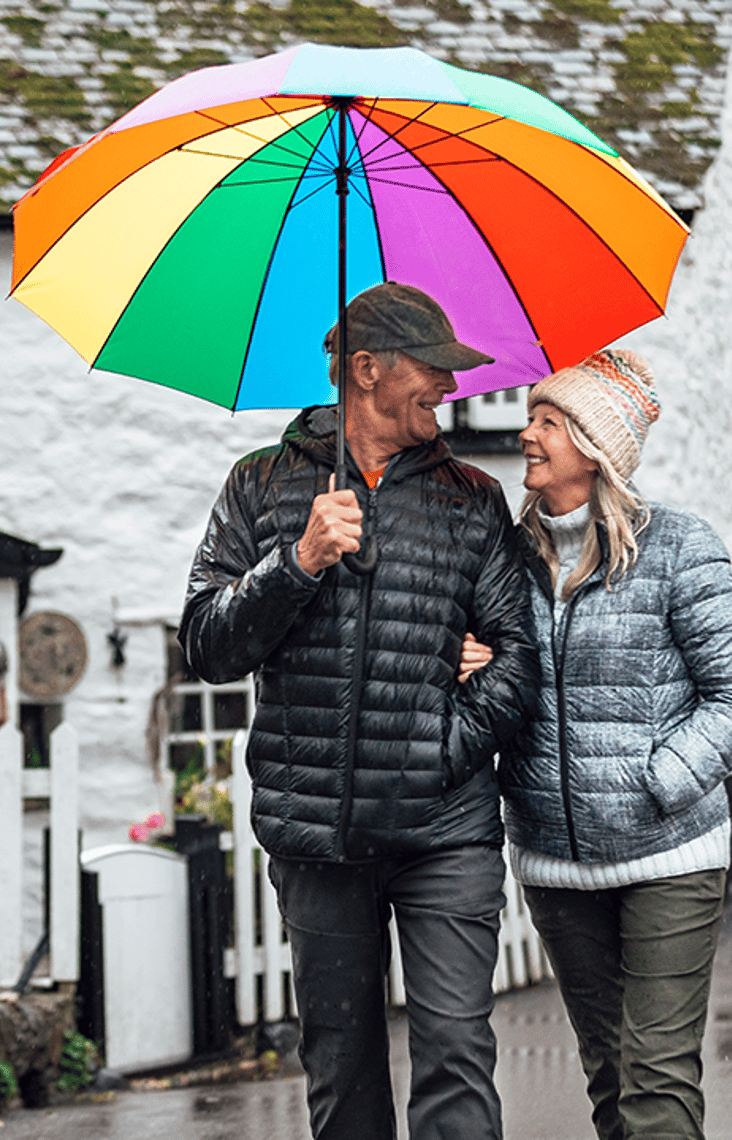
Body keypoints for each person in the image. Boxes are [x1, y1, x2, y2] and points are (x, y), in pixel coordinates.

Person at [178, 281, 539, 1140]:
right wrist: (296, 562)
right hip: (317, 834)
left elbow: (518, 658)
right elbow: (205, 645)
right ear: (367, 370)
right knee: (341, 1070)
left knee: (455, 1050)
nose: (449, 389)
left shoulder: (472, 500)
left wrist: (441, 745)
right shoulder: (259, 486)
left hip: (444, 826)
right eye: (432, 370)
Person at [461, 348, 732, 1140]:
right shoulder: (506, 559)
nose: (526, 435)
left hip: (668, 854)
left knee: (657, 1079)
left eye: (547, 422)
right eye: (529, 418)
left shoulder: (676, 548)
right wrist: (476, 667)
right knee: (607, 1071)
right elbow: (507, 681)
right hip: (556, 862)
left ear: (595, 446)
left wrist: (660, 777)